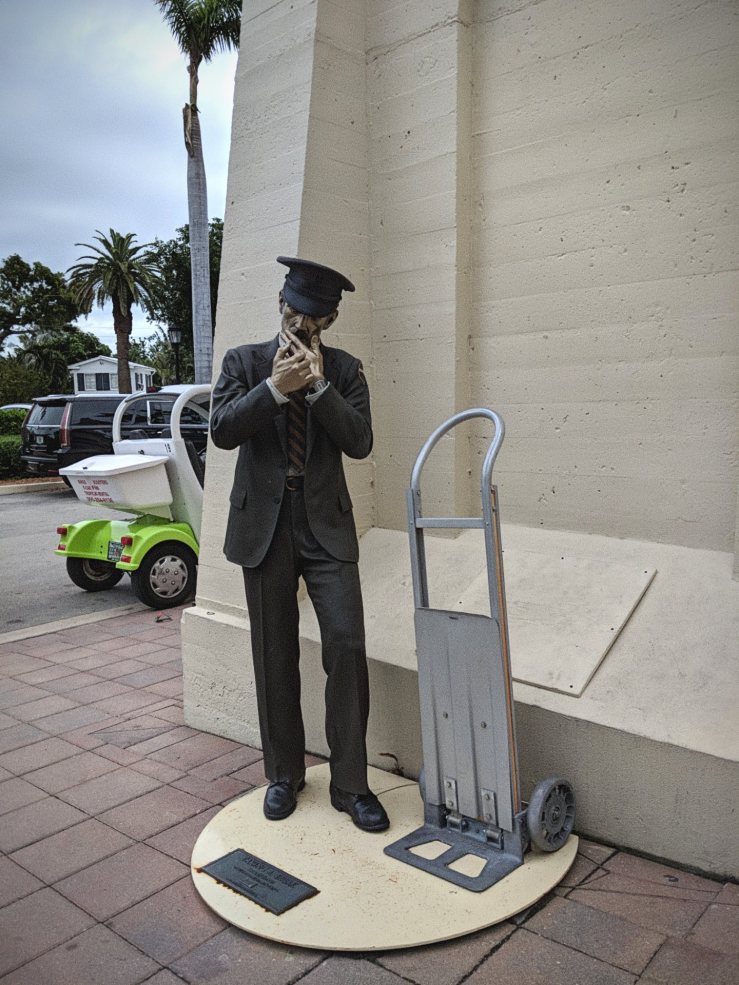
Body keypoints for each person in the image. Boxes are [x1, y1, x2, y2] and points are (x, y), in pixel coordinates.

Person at [210, 256, 389, 832]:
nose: (300, 325)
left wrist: (315, 388)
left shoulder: (345, 370)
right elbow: (222, 430)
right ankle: (284, 776)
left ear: (329, 321)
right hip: (263, 525)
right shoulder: (242, 362)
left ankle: (351, 784)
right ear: (280, 303)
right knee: (274, 651)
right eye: (293, 311)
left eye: (313, 318)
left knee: (347, 645)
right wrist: (273, 389)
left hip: (326, 526)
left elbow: (360, 442)